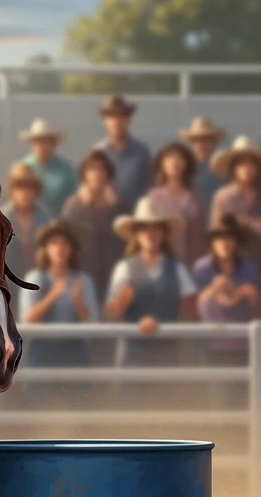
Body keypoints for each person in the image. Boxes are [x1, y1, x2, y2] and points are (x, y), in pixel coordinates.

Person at [106, 196, 197, 366]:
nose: (150, 233)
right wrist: (121, 303)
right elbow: (110, 315)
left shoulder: (177, 268)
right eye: (144, 228)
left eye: (156, 228)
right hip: (133, 351)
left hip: (168, 350)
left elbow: (190, 311)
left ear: (163, 233)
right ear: (136, 234)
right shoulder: (124, 268)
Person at [17, 220, 99, 368]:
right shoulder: (34, 279)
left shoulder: (83, 280)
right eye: (54, 243)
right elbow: (27, 320)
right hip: (42, 353)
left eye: (65, 243)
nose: (60, 248)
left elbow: (92, 322)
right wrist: (53, 295)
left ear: (72, 249)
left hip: (75, 352)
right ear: (46, 249)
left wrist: (78, 302)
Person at [192, 214, 259, 366]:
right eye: (219, 238)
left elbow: (256, 312)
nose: (225, 243)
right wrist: (213, 290)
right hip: (210, 346)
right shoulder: (202, 268)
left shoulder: (249, 269)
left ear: (236, 241)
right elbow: (194, 310)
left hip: (244, 346)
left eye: (230, 237)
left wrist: (247, 295)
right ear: (212, 242)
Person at [61, 149, 124, 298]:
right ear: (84, 174)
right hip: (82, 270)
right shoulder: (74, 205)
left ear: (108, 173)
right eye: (92, 169)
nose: (97, 174)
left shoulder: (118, 205)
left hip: (113, 270)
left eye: (101, 169)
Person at [146, 142, 205, 265]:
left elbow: (201, 232)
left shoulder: (196, 196)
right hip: (165, 263)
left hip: (195, 260)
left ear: (187, 163)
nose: (174, 162)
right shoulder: (154, 197)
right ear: (161, 164)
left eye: (179, 158)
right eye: (169, 158)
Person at [93, 95, 152, 210]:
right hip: (105, 215)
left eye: (122, 116)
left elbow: (150, 186)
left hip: (135, 216)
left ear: (129, 120)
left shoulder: (141, 151)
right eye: (112, 117)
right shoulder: (98, 152)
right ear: (105, 121)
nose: (117, 121)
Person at [209, 136, 261, 266]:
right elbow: (216, 232)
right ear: (233, 168)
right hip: (234, 265)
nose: (247, 169)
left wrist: (243, 223)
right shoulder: (223, 197)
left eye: (251, 164)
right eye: (241, 164)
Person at [17, 117, 77, 218]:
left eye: (45, 141)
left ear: (53, 143)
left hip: (59, 224)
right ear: (31, 144)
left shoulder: (66, 170)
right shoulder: (23, 168)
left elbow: (74, 199)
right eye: (37, 141)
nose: (40, 145)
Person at [4, 163, 50, 272]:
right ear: (12, 191)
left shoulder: (45, 220)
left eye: (29, 188)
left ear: (36, 191)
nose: (24, 193)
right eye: (19, 188)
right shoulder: (1, 218)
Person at [180, 115, 226, 213]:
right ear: (191, 143)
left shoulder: (224, 168)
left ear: (214, 142)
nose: (201, 144)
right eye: (196, 140)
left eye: (205, 140)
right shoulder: (183, 169)